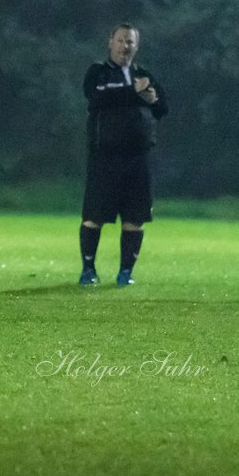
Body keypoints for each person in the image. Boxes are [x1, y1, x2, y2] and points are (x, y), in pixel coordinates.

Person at [79, 23, 168, 287]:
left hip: (137, 159)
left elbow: (163, 106)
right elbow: (96, 97)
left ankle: (125, 273)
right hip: (105, 157)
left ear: (136, 46)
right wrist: (134, 91)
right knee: (94, 216)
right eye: (120, 41)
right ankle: (88, 270)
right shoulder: (98, 73)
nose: (124, 46)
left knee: (135, 218)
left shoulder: (144, 75)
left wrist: (151, 99)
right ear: (110, 42)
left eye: (130, 42)